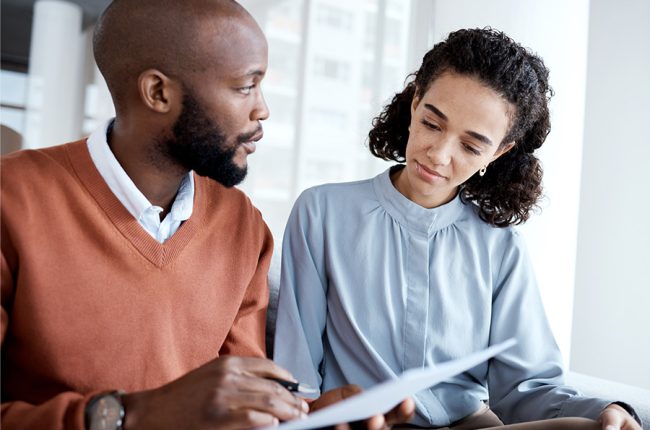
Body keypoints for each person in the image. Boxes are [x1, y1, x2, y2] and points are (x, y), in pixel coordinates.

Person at [0, 1, 413, 429]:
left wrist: (305, 421)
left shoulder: (243, 226)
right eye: (245, 87)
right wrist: (138, 414)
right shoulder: (11, 198)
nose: (262, 109)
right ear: (158, 93)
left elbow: (240, 406)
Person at [273, 28, 642, 430]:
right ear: (415, 104)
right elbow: (297, 370)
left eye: (471, 146)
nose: (440, 154)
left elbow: (527, 387)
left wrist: (608, 411)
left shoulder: (500, 247)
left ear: (499, 152)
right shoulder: (322, 211)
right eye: (432, 123)